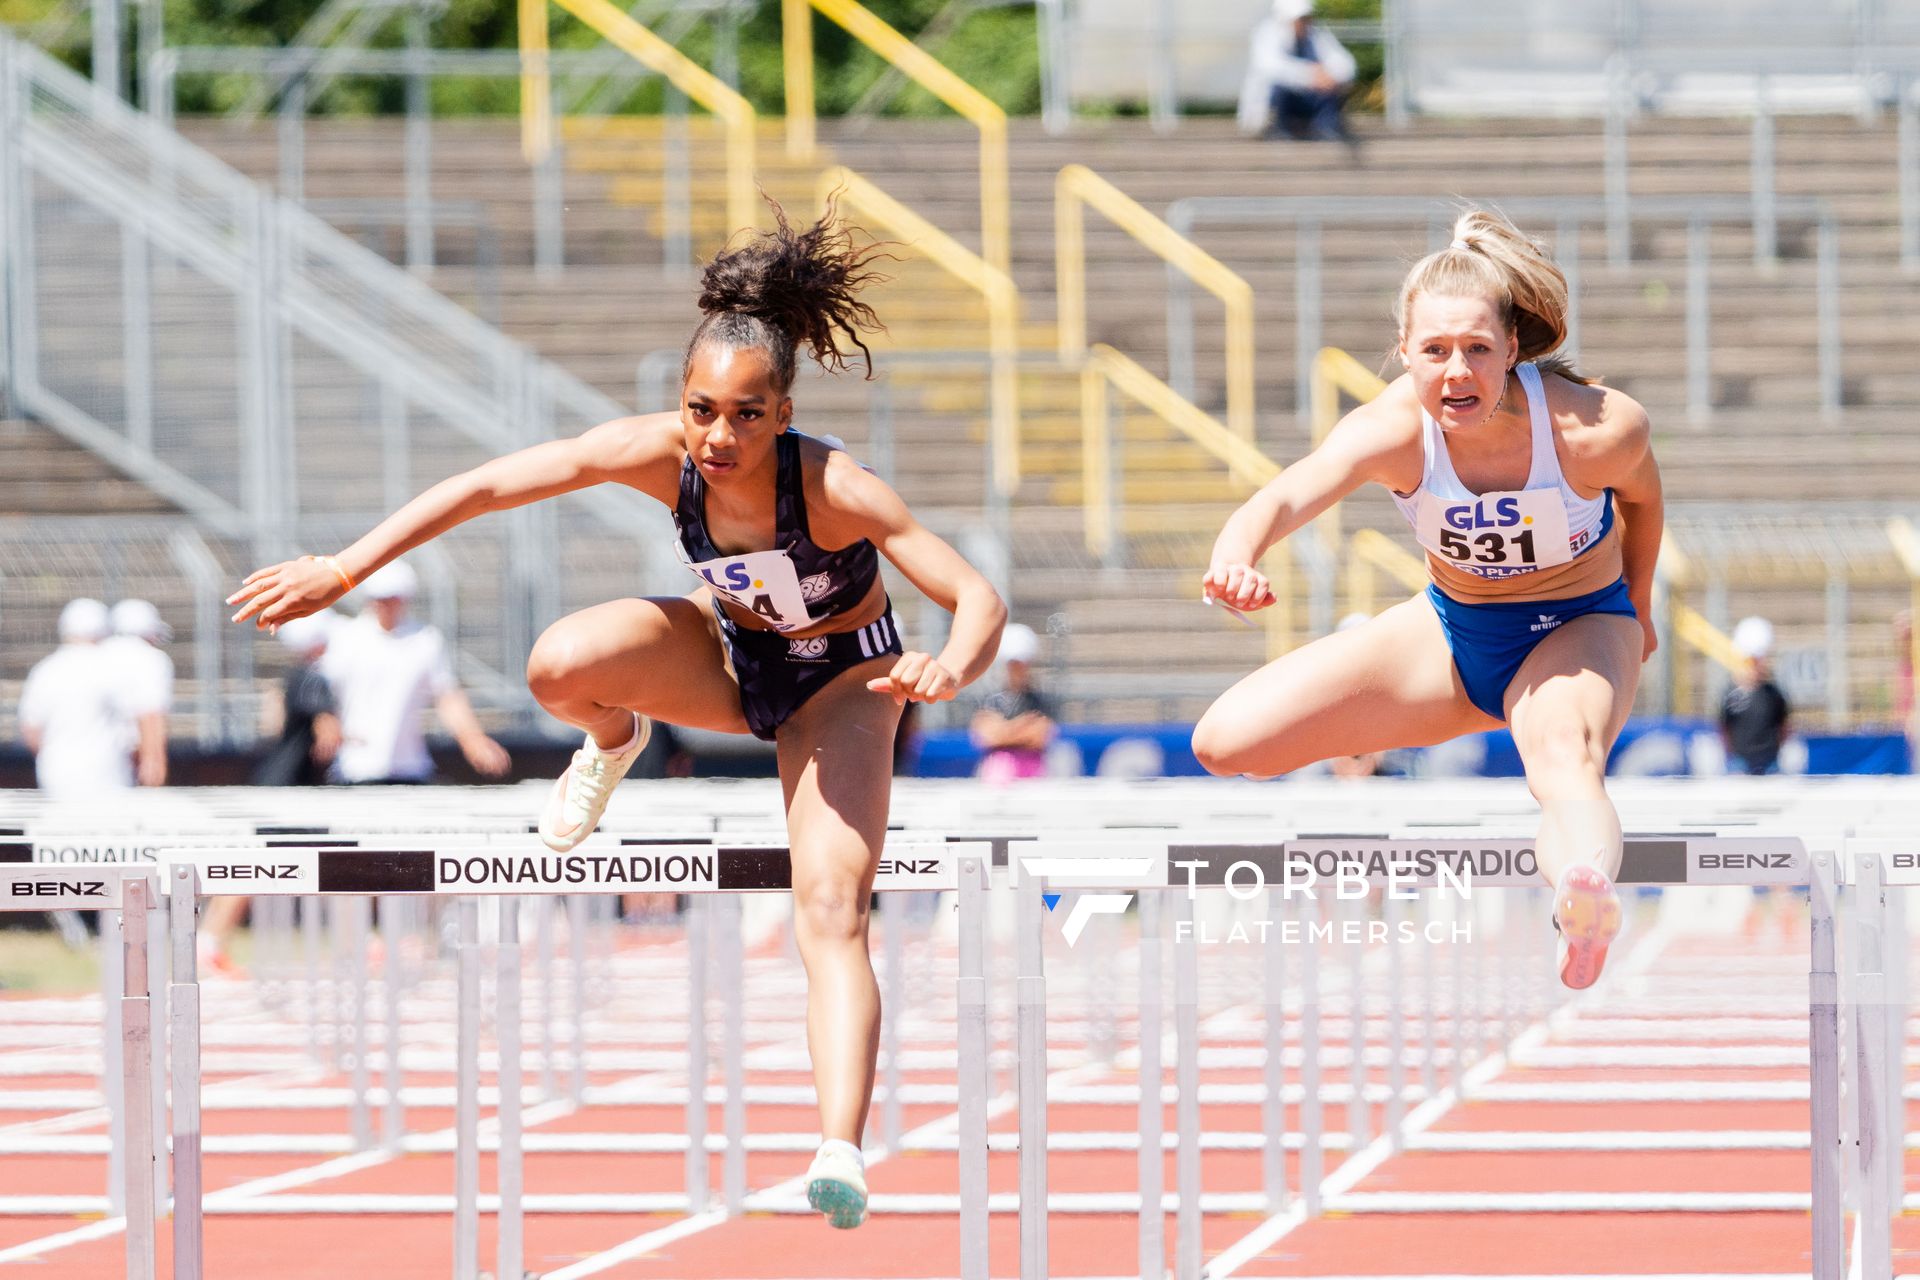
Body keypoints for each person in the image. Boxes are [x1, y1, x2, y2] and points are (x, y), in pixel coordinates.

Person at [227, 198, 1008, 1230]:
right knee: (562, 661)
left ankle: (837, 1144)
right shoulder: (659, 454)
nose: (717, 436)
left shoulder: (834, 487)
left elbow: (978, 594)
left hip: (840, 691)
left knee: (831, 907)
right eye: (700, 409)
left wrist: (949, 665)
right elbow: (489, 484)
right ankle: (615, 738)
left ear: (781, 412)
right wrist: (342, 564)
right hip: (729, 658)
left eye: (743, 413)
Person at [1191, 208, 1664, 992]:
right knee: (1226, 744)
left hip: (1574, 629)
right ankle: (1520, 729)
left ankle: (1584, 899)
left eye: (1478, 350)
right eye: (1435, 351)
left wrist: (1639, 606)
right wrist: (1234, 555)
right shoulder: (1392, 431)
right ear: (1404, 353)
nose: (1456, 373)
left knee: (1562, 761)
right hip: (1451, 634)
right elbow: (1286, 494)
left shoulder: (1594, 429)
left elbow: (1645, 502)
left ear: (1512, 349)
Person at [317, 562, 511, 785]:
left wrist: (472, 738)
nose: (385, 605)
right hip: (354, 767)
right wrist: (325, 722)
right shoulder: (346, 638)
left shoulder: (425, 640)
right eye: (380, 598)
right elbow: (321, 693)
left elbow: (446, 695)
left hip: (410, 768)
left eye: (392, 598)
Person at [19, 598, 145, 800]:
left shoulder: (46, 670)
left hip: (57, 773)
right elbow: (136, 726)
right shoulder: (113, 669)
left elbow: (32, 729)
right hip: (109, 772)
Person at [1238, 0, 1358, 145]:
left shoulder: (1315, 34)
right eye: (1300, 18)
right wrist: (1311, 75)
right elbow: (1270, 67)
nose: (1305, 22)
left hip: (1306, 101)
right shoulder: (1267, 33)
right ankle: (1280, 128)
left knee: (1332, 89)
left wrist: (1331, 76)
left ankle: (1324, 127)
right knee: (1279, 88)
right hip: (1280, 103)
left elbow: (1345, 64)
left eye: (1307, 17)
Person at [968, 622, 1058, 781]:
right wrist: (1022, 726)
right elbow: (986, 736)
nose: (1017, 669)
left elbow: (1040, 735)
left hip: (1032, 771)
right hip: (997, 772)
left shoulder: (1040, 700)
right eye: (1013, 664)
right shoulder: (990, 699)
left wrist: (1003, 730)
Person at [105, 598, 173, 788]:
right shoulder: (152, 659)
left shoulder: (98, 654)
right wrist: (154, 761)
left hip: (92, 752)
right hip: (128, 754)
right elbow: (150, 713)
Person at [1719, 615, 1790, 775]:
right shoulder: (1731, 693)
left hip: (1770, 759)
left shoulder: (1773, 693)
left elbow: (1784, 726)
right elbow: (1724, 727)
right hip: (1740, 761)